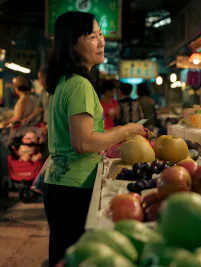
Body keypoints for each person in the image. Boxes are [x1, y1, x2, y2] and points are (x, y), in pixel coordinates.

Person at [43, 11, 144, 266]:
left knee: (62, 253)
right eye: (92, 36)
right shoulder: (79, 85)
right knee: (74, 257)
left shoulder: (64, 82)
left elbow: (80, 136)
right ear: (73, 44)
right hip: (74, 186)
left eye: (101, 35)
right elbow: (83, 144)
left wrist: (118, 130)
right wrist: (125, 132)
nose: (101, 42)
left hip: (61, 183)